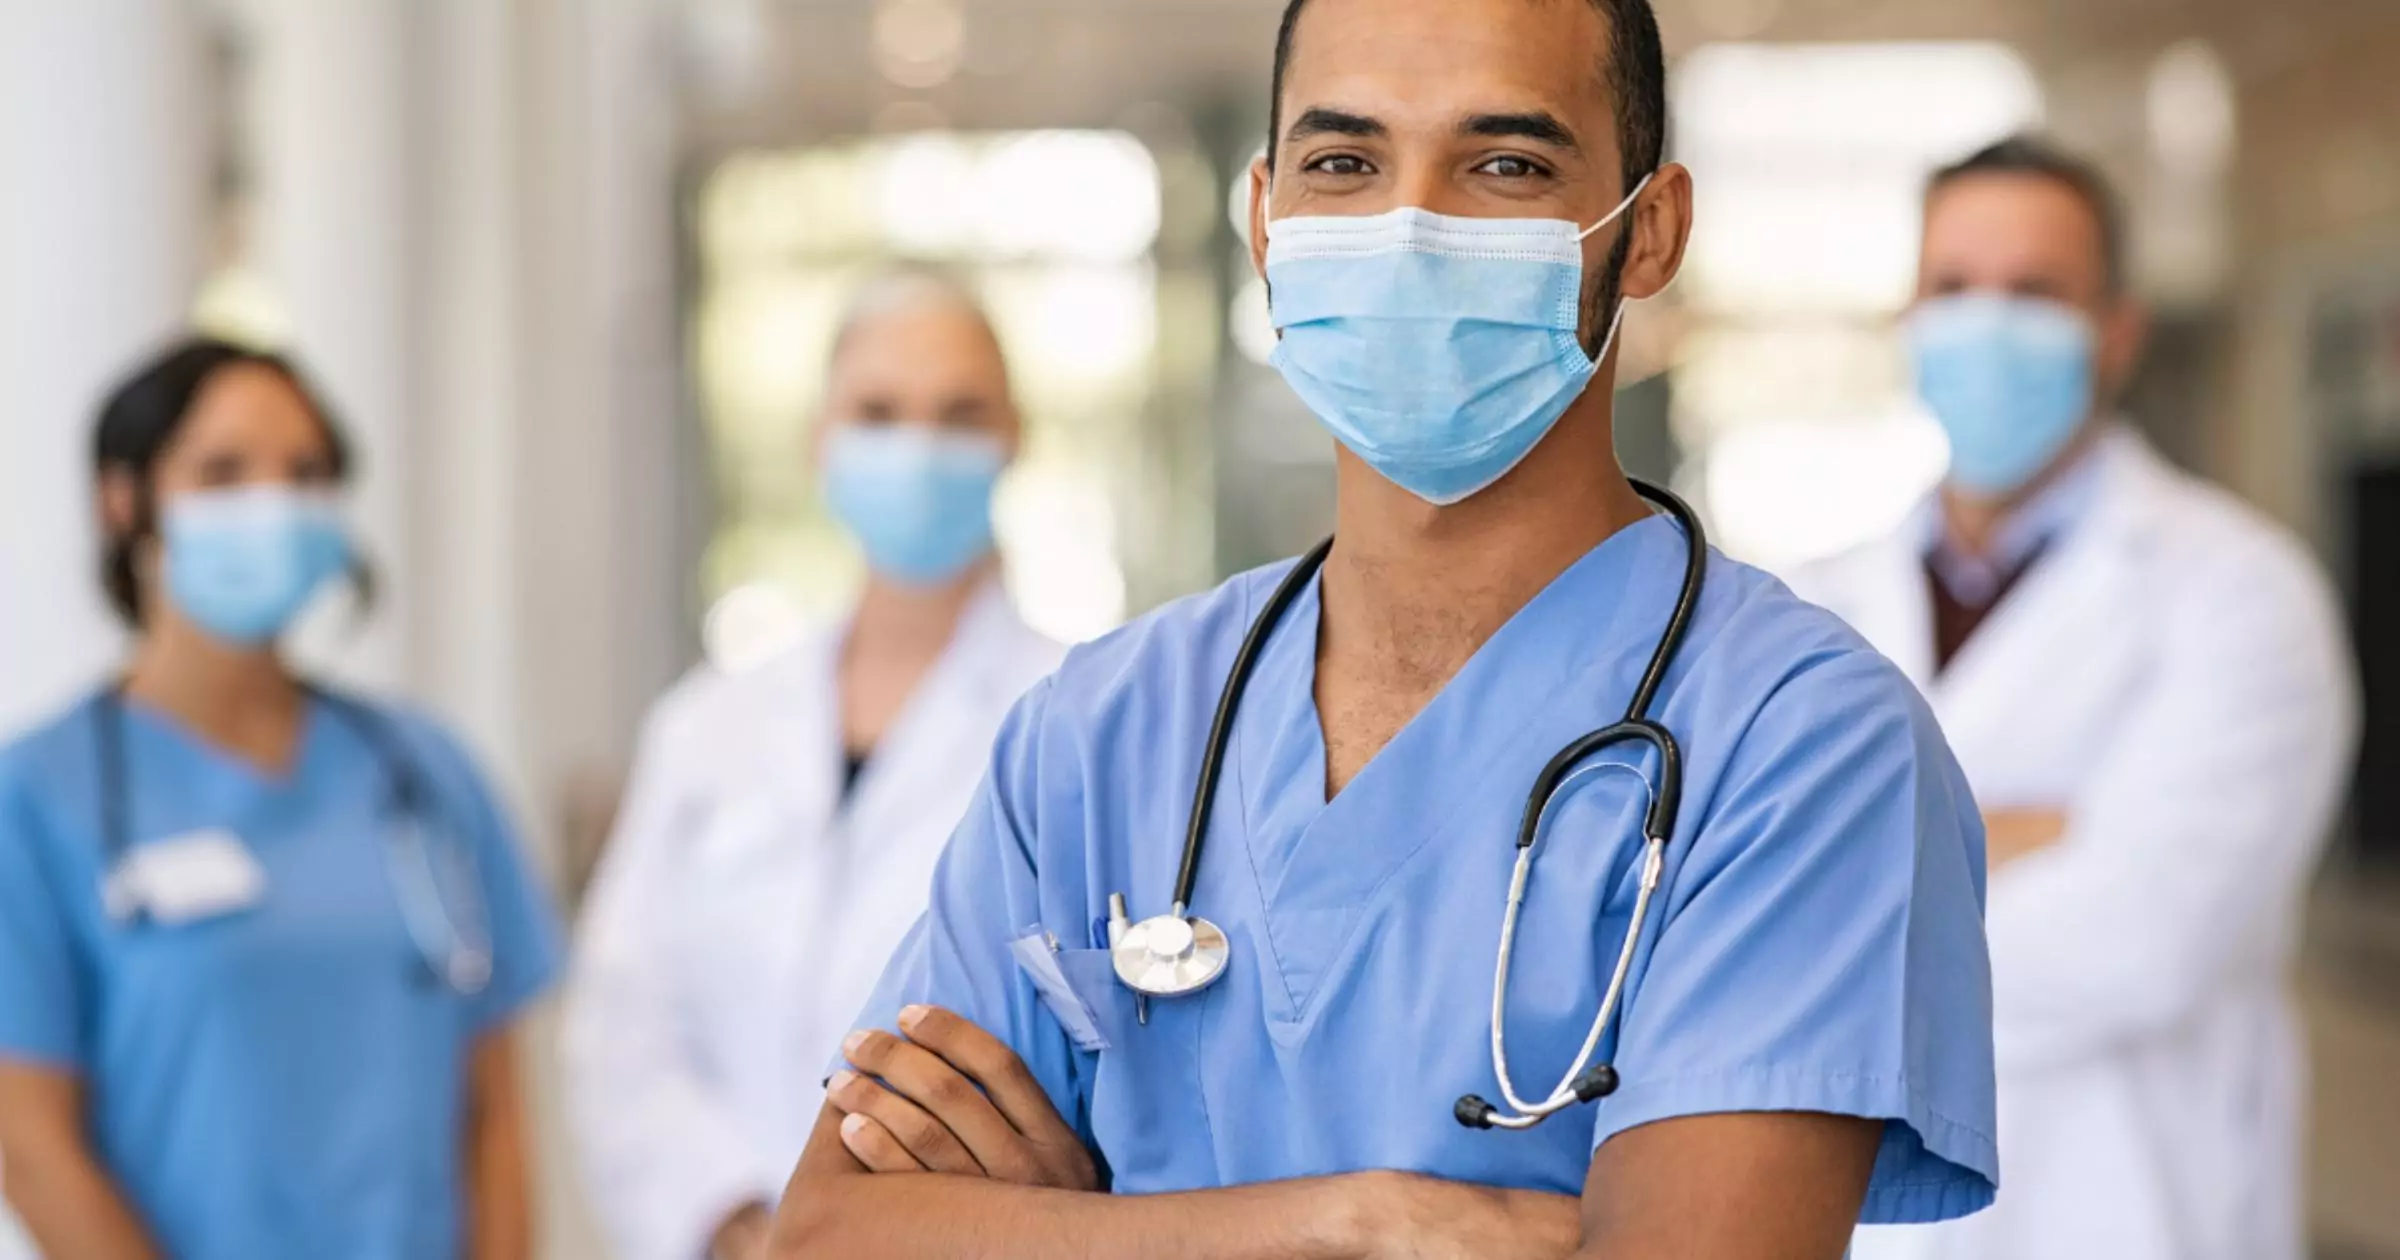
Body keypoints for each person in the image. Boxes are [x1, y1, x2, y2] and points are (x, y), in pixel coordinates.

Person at [766, 0, 1999, 1256]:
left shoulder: (1800, 747)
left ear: (1648, 232)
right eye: (1343, 164)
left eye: (1506, 164)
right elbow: (824, 1236)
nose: (1409, 227)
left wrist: (1087, 1228)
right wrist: (1361, 1225)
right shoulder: (1102, 733)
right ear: (1264, 221)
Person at [1792, 138, 2358, 1260]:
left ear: (2117, 332)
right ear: (1907, 317)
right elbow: (1700, 916)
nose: (1987, 326)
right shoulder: (1811, 604)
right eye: (1955, 288)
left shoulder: (2243, 595)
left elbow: (2140, 939)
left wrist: (1836, 874)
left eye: (2035, 292)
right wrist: (2002, 837)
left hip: (2129, 1216)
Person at [0, 338, 562, 1260]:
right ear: (124, 500)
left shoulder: (425, 772)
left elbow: (495, 1113)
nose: (272, 505)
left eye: (305, 473)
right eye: (222, 472)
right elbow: (31, 1148)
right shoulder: (35, 797)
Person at [564, 272, 1065, 1260]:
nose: (917, 448)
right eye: (878, 412)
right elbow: (625, 1023)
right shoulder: (708, 728)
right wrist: (738, 1221)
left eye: (957, 413)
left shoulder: (1080, 720)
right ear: (820, 439)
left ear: (1015, 435)